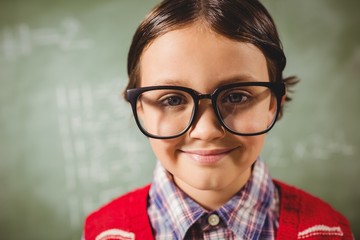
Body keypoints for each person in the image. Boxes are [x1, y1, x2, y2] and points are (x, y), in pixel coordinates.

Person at [84, 0, 353, 239]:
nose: (207, 130)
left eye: (236, 97)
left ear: (273, 104)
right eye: (173, 100)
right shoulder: (106, 233)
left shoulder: (326, 232)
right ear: (140, 109)